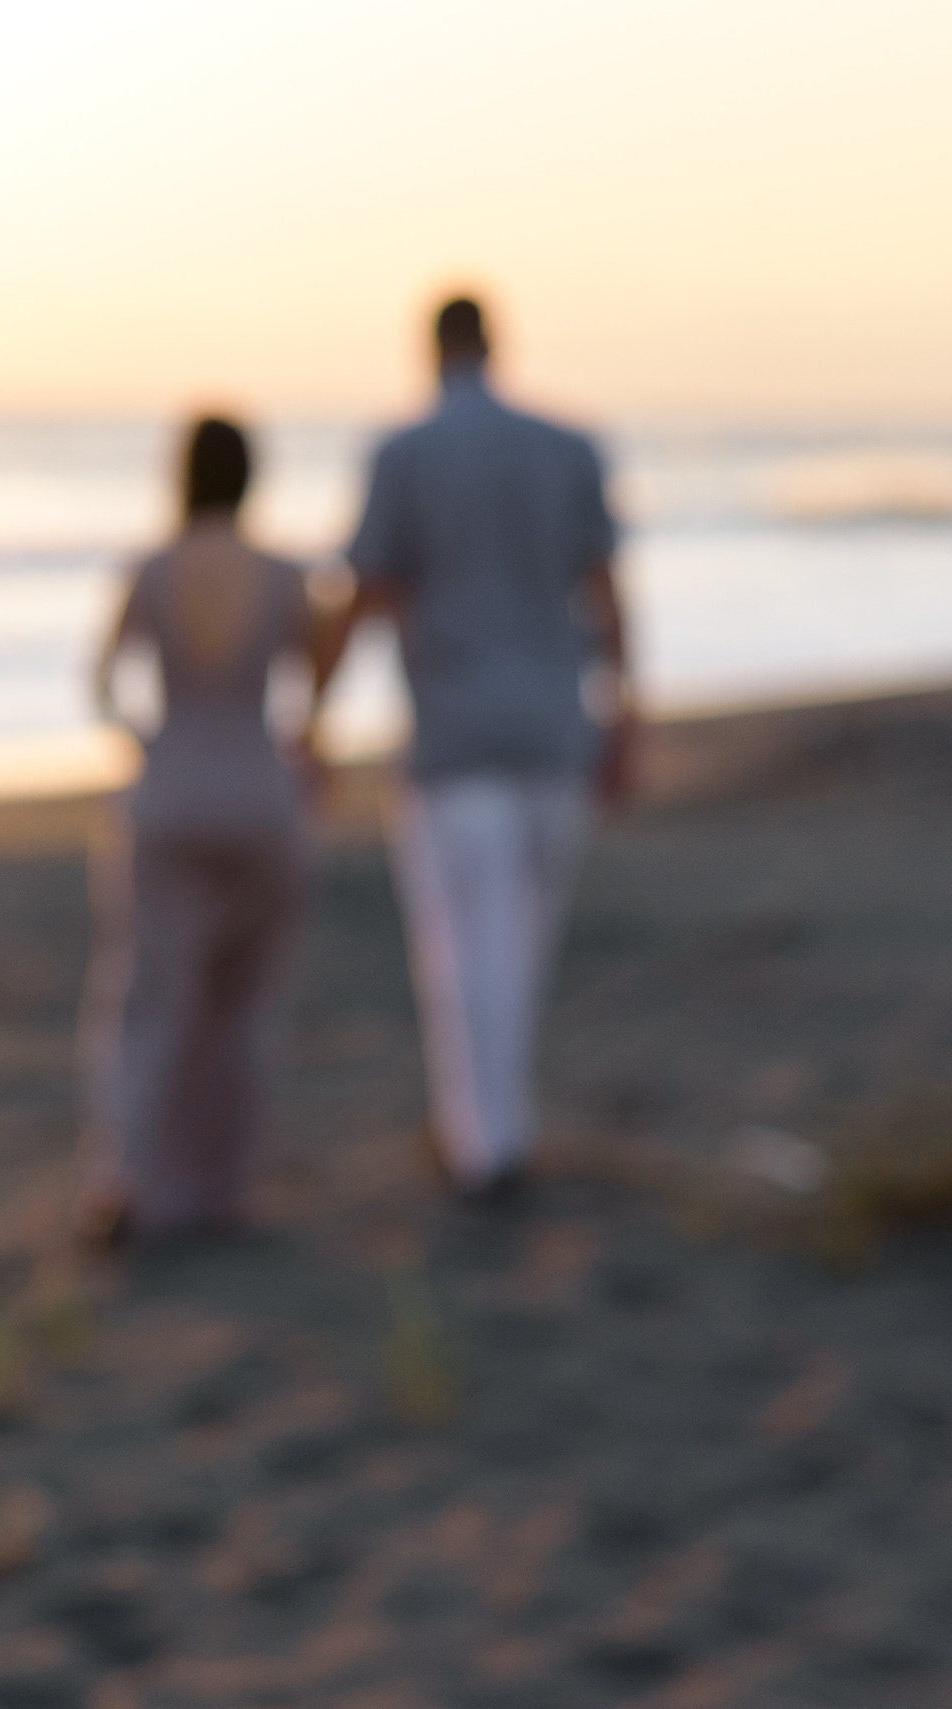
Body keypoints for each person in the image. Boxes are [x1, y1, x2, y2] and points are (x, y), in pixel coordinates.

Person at [310, 296, 634, 1200]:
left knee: (464, 946)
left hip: (454, 731)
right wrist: (626, 713)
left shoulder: (405, 452)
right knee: (521, 938)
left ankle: (480, 1140)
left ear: (431, 351)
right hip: (551, 725)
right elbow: (606, 590)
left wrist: (312, 718)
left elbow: (365, 589)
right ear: (495, 348)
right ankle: (504, 1124)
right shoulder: (568, 447)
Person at [78, 417, 322, 1243]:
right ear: (252, 477)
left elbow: (104, 683)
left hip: (172, 793)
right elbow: (317, 682)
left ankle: (132, 1177)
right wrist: (297, 744)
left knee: (152, 997)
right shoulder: (287, 574)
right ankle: (221, 1187)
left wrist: (149, 741)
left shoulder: (151, 570)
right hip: (260, 793)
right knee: (239, 1003)